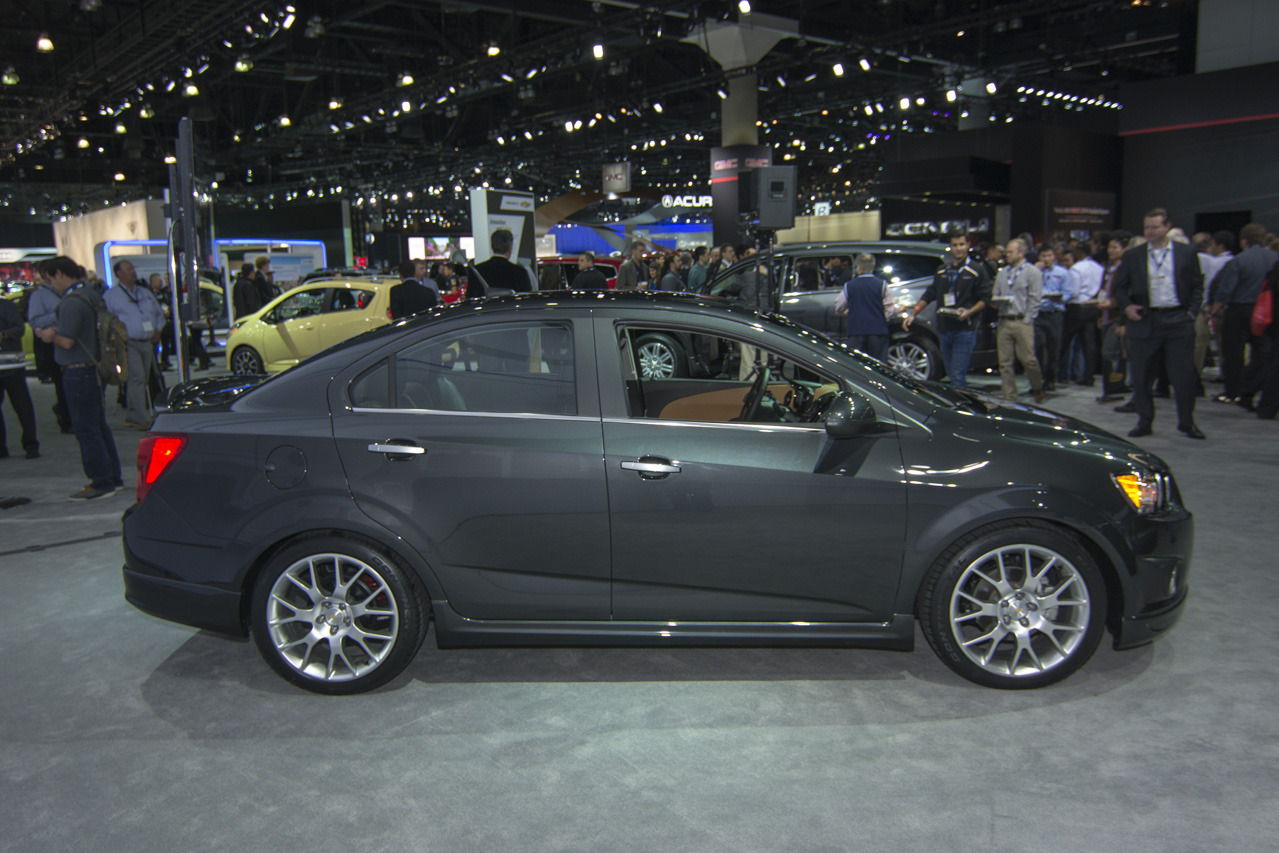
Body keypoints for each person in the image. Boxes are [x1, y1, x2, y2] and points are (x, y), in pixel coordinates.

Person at [34, 256, 123, 500]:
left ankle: (101, 482)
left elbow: (67, 341)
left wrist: (50, 336)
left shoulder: (71, 302)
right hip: (94, 367)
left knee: (86, 429)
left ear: (60, 273)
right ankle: (112, 478)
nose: (51, 285)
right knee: (98, 426)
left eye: (50, 279)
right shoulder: (92, 294)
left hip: (78, 370)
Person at [1111, 208, 1205, 439]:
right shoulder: (1134, 255)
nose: (1150, 231)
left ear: (1167, 227)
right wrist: (1127, 306)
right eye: (1147, 227)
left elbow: (1197, 285)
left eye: (1155, 227)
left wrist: (1191, 313)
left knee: (1183, 376)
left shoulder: (1186, 252)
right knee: (1142, 375)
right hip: (1145, 319)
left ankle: (1187, 422)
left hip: (1178, 319)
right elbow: (1119, 287)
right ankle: (1144, 421)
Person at [904, 230, 991, 390]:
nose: (958, 248)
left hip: (964, 329)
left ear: (968, 245)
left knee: (957, 376)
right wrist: (913, 313)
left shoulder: (976, 270)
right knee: (951, 374)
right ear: (950, 246)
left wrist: (970, 311)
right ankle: (957, 401)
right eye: (955, 245)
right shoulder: (942, 270)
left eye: (961, 244)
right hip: (944, 328)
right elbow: (930, 294)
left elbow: (985, 298)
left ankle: (961, 404)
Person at [1208, 222, 1277, 408]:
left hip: (1238, 310)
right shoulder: (1274, 258)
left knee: (1233, 353)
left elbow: (1226, 289)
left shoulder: (1239, 260)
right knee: (1263, 352)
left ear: (1244, 240)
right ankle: (1252, 386)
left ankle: (1233, 392)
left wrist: (1213, 310)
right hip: (1266, 310)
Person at [104, 259, 166, 429]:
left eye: (132, 268)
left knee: (142, 378)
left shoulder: (145, 293)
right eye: (128, 269)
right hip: (127, 343)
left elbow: (159, 314)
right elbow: (106, 321)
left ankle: (132, 414)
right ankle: (142, 417)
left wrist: (158, 330)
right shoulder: (111, 296)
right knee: (137, 378)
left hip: (147, 341)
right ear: (119, 274)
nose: (133, 272)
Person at [991, 238, 1046, 403]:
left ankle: (1037, 386)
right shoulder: (1002, 272)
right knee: (1005, 363)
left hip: (1022, 320)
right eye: (1006, 252)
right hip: (1004, 320)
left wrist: (1028, 319)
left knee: (1028, 360)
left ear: (1021, 253)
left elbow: (1035, 299)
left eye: (1010, 252)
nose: (1007, 255)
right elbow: (995, 295)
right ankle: (1009, 398)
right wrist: (996, 302)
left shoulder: (1032, 272)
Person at [27, 272, 73, 432]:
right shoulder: (39, 295)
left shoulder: (69, 292)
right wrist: (59, 315)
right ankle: (66, 418)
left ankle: (67, 413)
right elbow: (34, 321)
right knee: (61, 383)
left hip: (73, 342)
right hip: (53, 343)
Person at [0, 293, 40, 458]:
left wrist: (4, 334)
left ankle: (31, 444)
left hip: (12, 365)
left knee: (22, 407)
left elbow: (19, 328)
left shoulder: (6, 306)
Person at [835, 253, 891, 361]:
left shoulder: (849, 285)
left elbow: (839, 305)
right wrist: (899, 310)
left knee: (856, 363)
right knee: (878, 364)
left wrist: (845, 312)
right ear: (873, 266)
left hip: (856, 331)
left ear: (858, 267)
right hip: (878, 331)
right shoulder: (883, 285)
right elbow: (890, 310)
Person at [1033, 243, 1072, 392]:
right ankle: (1037, 380)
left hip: (1054, 313)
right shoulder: (1033, 271)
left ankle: (1050, 380)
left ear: (1054, 256)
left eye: (1049, 255)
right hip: (1037, 313)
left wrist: (1059, 299)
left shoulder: (1063, 273)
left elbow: (1068, 293)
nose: (1046, 259)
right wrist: (1035, 271)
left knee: (1053, 348)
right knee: (1038, 346)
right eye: (1043, 256)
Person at [469, 228, 530, 295]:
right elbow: (526, 298)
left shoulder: (477, 271)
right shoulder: (520, 273)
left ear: (492, 246)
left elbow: (470, 297)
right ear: (510, 247)